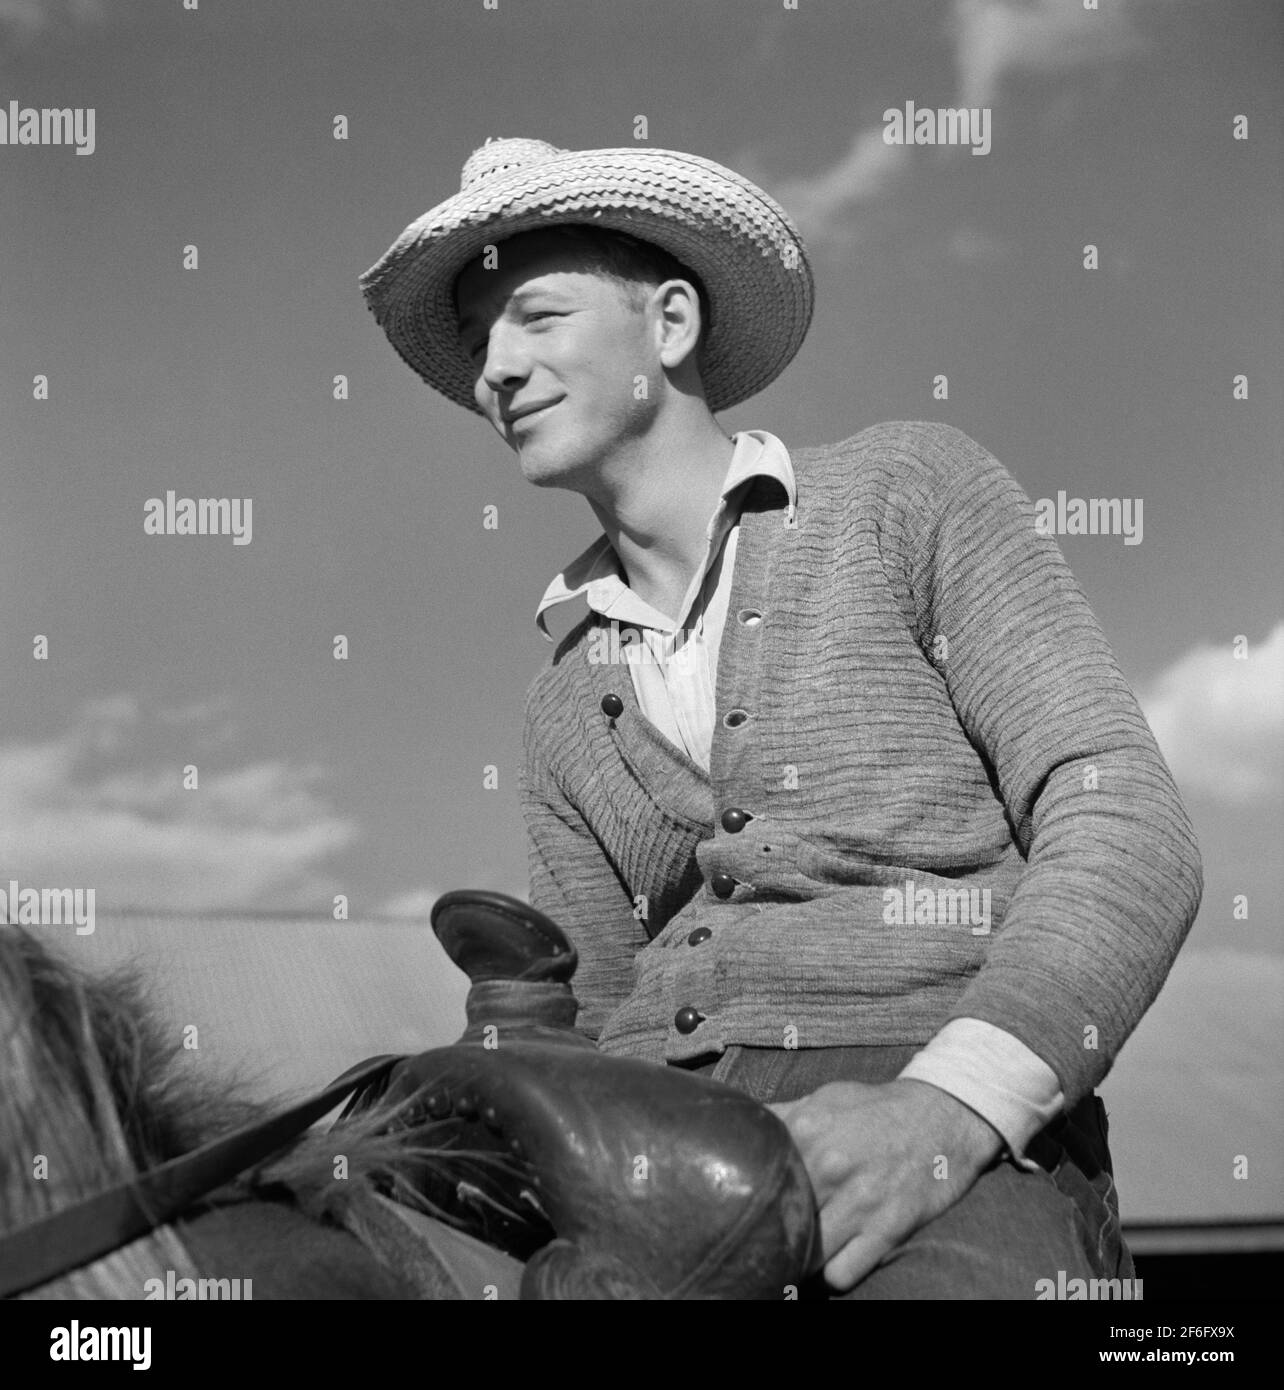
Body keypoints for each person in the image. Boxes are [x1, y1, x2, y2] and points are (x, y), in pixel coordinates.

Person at [360, 137, 1203, 1299]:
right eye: (476, 342)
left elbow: (1126, 824)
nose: (494, 369)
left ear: (668, 324)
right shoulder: (563, 693)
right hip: (653, 1142)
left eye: (537, 317)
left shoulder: (908, 492)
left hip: (941, 1118)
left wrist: (944, 1111)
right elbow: (598, 1014)